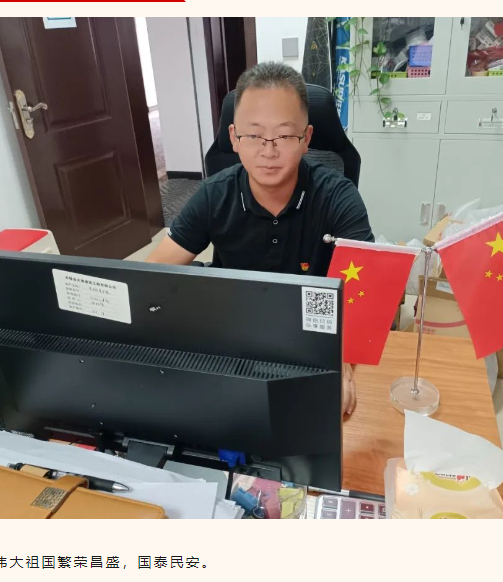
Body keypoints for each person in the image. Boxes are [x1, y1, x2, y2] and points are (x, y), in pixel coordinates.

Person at [147, 62, 375, 415]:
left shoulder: (338, 197)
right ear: (234, 138)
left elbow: (366, 295)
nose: (269, 151)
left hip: (312, 336)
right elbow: (152, 276)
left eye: (284, 136)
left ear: (306, 139)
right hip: (234, 335)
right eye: (254, 136)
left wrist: (339, 358)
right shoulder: (213, 195)